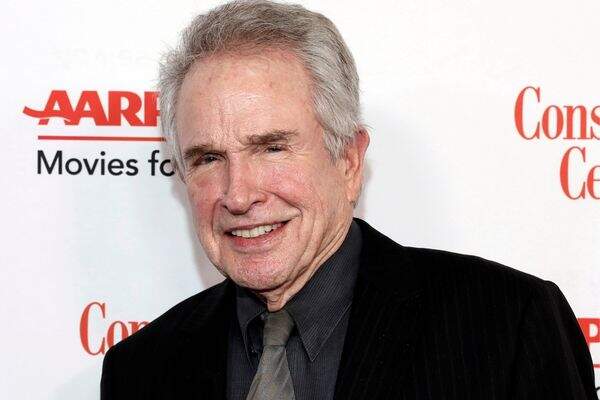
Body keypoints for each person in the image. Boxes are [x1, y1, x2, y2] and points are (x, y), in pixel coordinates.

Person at [100, 1, 596, 399]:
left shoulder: (506, 327)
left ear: (349, 161)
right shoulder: (141, 370)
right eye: (209, 158)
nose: (238, 194)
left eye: (272, 148)